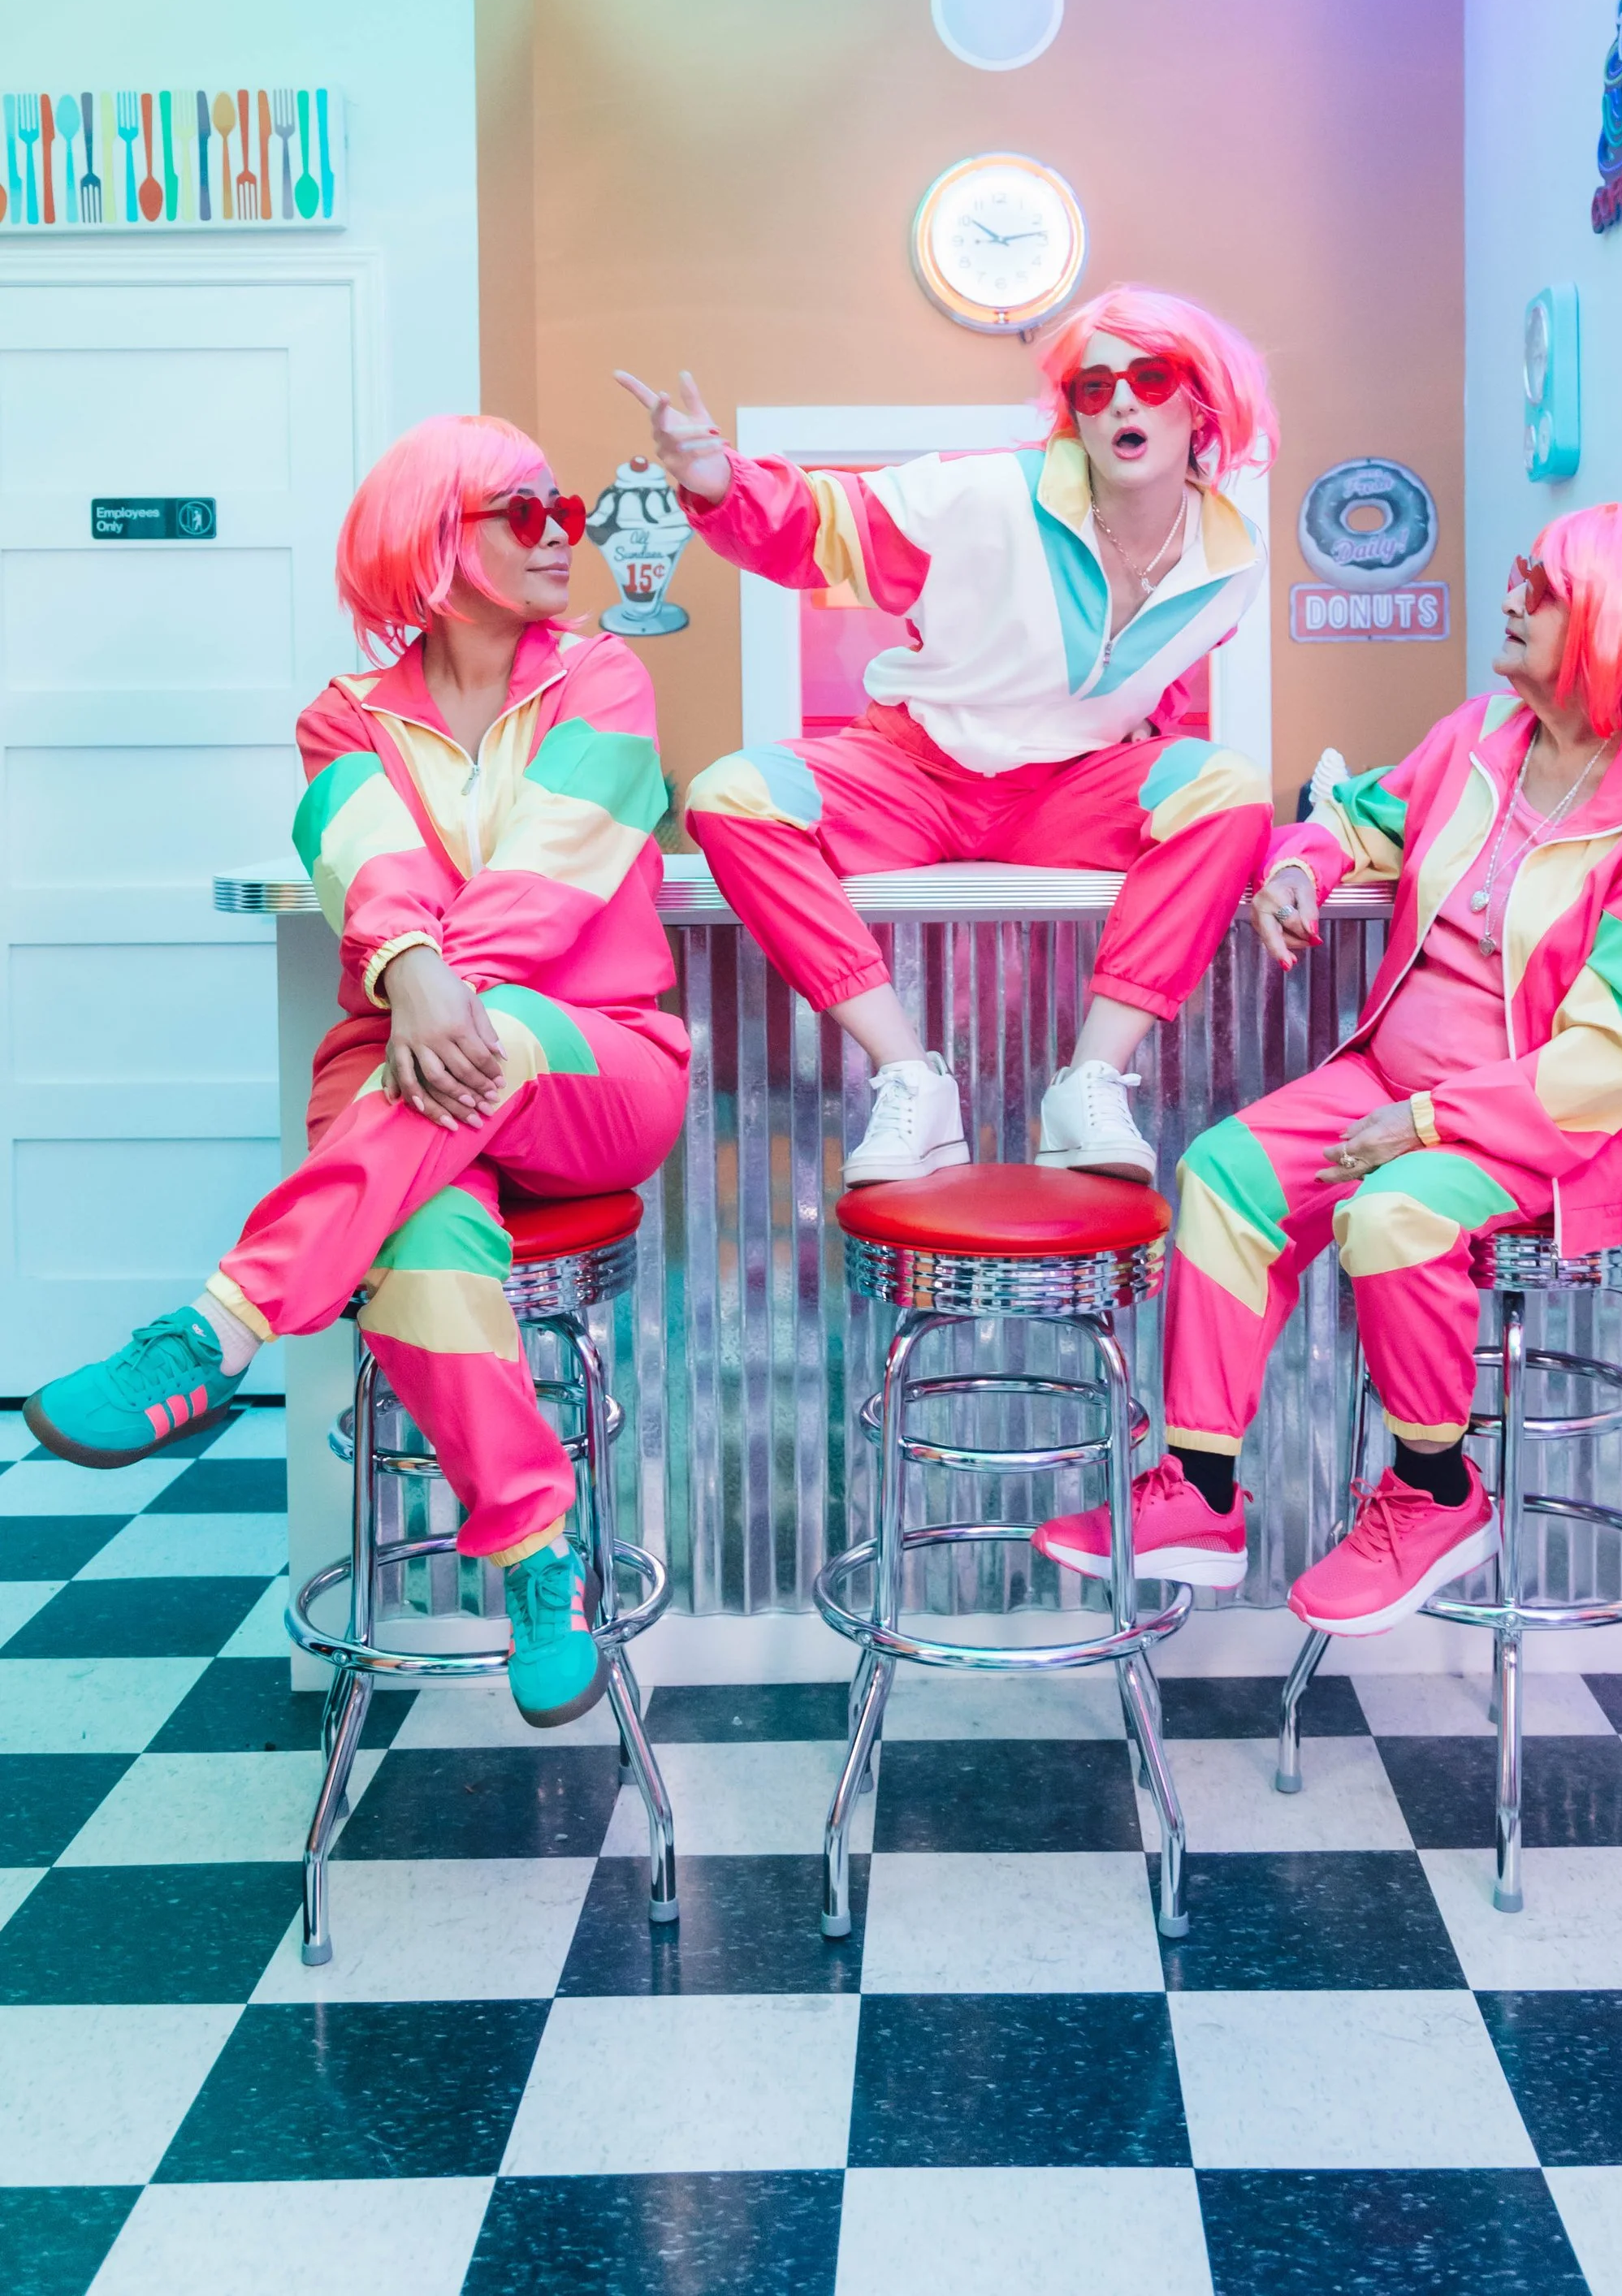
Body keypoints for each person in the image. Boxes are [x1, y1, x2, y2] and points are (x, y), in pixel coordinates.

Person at [26, 417, 689, 1727]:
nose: (566, 531)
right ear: (435, 538)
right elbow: (366, 865)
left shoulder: (605, 683)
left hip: (596, 1064)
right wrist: (412, 972)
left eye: (565, 509)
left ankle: (221, 1326)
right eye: (527, 510)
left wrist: (436, 984)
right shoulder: (345, 720)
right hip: (403, 1079)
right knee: (425, 1243)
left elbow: (549, 888)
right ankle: (538, 1560)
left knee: (477, 1053)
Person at [1036, 502, 1622, 1639]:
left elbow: (1607, 1065)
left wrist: (1419, 1123)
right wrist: (1304, 866)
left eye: (1541, 587)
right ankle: (1201, 1494)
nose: (1512, 598)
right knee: (1221, 1175)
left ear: (1614, 623)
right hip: (1395, 1084)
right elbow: (1357, 813)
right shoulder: (1480, 736)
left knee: (1395, 1213)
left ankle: (1438, 1491)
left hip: (1566, 1129)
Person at [617, 287, 1276, 1185]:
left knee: (1229, 787)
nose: (1120, 399)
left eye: (1150, 376)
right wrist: (717, 479)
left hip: (1067, 794)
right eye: (1093, 387)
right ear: (1072, 415)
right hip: (912, 772)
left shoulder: (1229, 562)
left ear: (1200, 398)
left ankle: (1089, 1082)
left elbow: (1147, 688)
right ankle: (907, 1076)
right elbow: (824, 522)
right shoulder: (984, 492)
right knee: (730, 796)